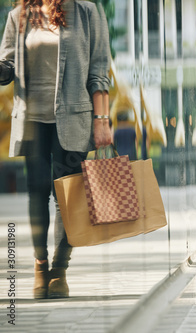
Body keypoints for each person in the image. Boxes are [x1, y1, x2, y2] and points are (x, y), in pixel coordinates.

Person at [0, 0, 111, 298]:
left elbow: (100, 70)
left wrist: (101, 120)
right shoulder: (19, 15)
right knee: (37, 191)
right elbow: (6, 66)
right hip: (33, 121)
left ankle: (60, 270)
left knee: (69, 197)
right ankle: (40, 267)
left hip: (74, 118)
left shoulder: (87, 13)